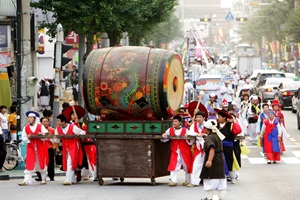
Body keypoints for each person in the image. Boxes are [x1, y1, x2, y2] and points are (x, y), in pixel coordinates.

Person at [18, 111, 49, 186]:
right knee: (29, 163)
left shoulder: (40, 126)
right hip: (31, 148)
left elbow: (46, 135)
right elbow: (23, 137)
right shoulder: (26, 127)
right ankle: (26, 180)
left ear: (35, 119)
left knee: (41, 163)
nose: (29, 119)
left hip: (40, 148)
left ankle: (44, 178)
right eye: (28, 117)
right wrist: (28, 138)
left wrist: (41, 135)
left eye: (31, 118)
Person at [53, 114, 86, 185]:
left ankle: (68, 180)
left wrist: (79, 134)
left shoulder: (72, 126)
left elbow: (83, 132)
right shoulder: (58, 129)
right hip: (65, 147)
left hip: (74, 146)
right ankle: (73, 179)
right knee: (66, 162)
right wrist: (50, 137)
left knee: (70, 162)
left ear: (63, 121)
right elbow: (56, 140)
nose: (57, 123)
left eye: (58, 121)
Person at [161, 115, 192, 187]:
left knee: (186, 165)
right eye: (173, 121)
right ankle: (173, 181)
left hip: (185, 150)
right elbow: (165, 139)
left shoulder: (186, 130)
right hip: (175, 150)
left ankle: (187, 180)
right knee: (173, 164)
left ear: (180, 122)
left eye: (176, 121)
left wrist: (188, 136)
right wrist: (164, 136)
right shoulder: (170, 130)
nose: (174, 123)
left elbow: (190, 140)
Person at [200, 120, 226, 200]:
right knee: (221, 179)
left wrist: (209, 160)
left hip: (214, 159)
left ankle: (209, 197)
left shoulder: (210, 138)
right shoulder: (217, 136)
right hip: (220, 159)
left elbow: (212, 149)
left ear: (207, 129)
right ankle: (222, 197)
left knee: (210, 178)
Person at [214, 108, 242, 184]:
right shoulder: (216, 126)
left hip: (228, 146)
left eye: (219, 116)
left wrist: (234, 121)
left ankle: (233, 177)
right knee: (220, 162)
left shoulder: (230, 125)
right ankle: (222, 177)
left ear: (224, 118)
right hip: (219, 146)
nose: (218, 118)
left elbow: (238, 131)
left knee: (230, 162)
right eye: (218, 116)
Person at [186, 111, 206, 187]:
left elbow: (211, 133)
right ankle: (195, 181)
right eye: (197, 117)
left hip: (208, 147)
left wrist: (203, 134)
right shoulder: (194, 125)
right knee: (197, 164)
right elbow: (190, 133)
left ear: (204, 118)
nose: (198, 119)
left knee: (209, 164)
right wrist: (198, 135)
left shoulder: (208, 124)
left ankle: (209, 180)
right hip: (198, 147)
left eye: (200, 117)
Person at [35, 117, 56, 182]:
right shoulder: (38, 130)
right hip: (40, 148)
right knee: (40, 162)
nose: (46, 123)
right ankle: (40, 176)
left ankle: (51, 176)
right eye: (44, 121)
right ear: (41, 123)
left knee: (50, 163)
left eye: (47, 121)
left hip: (49, 147)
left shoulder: (52, 130)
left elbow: (55, 139)